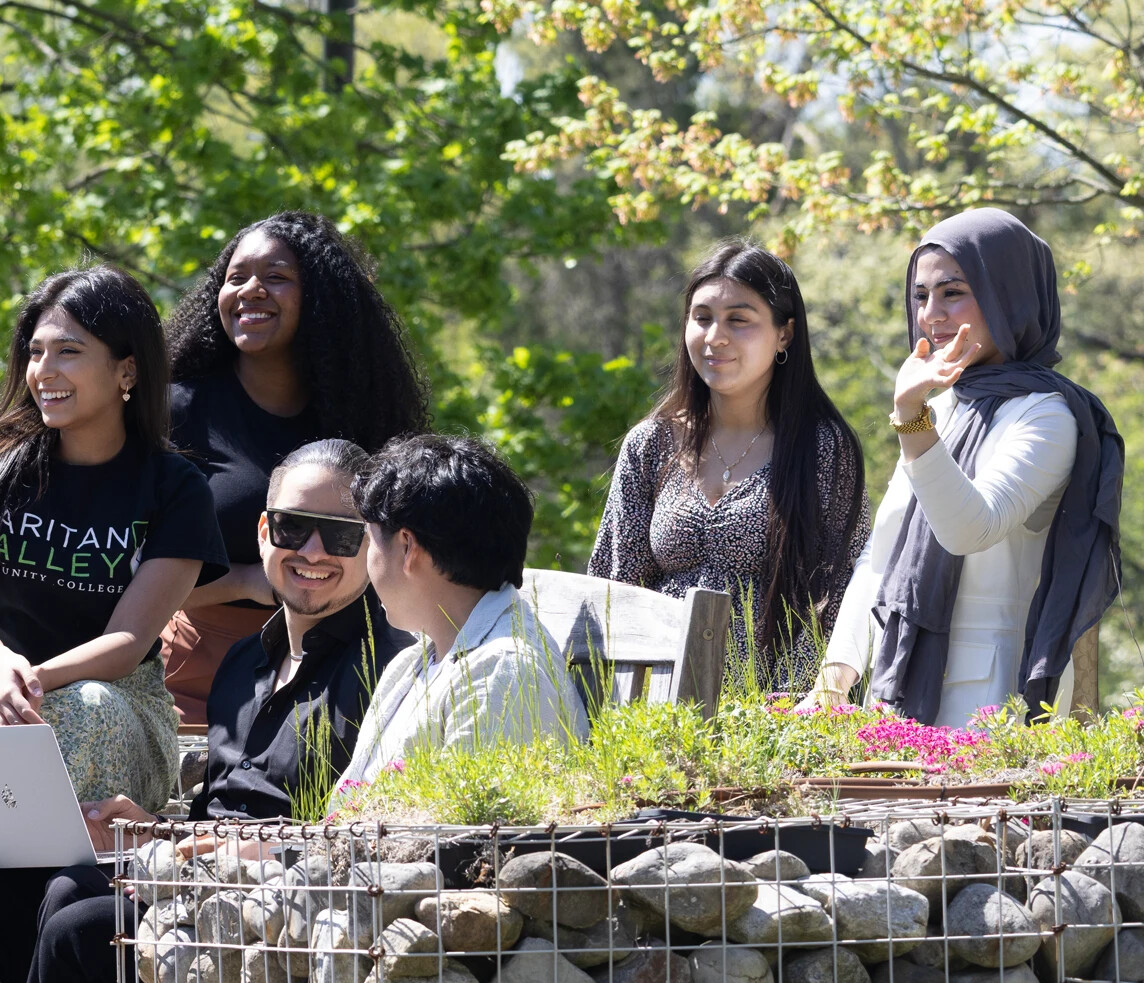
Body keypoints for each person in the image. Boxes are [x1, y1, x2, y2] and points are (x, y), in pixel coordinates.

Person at [0, 437, 409, 983]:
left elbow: (359, 834)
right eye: (292, 527)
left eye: (339, 536)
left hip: (277, 911)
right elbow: (221, 804)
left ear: (371, 545)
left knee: (80, 919)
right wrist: (150, 827)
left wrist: (195, 846)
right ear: (262, 531)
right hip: (189, 881)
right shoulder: (241, 667)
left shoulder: (385, 670)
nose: (311, 552)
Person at [0, 264, 227, 910]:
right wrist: (1, 667)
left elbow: (130, 639)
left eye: (69, 352)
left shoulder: (174, 489)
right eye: (36, 351)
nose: (43, 370)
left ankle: (66, 919)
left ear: (127, 371)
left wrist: (35, 679)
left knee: (87, 708)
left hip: (119, 698)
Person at [810, 209, 1123, 726]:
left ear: (1009, 295)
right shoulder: (948, 407)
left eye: (953, 291)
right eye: (920, 295)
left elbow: (970, 528)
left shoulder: (1048, 415)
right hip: (899, 685)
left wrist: (911, 418)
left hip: (991, 699)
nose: (931, 313)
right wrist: (834, 679)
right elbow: (883, 553)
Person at [161, 211, 430, 723]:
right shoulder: (176, 411)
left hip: (344, 669)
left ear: (321, 301)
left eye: (276, 277)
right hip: (197, 672)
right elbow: (125, 566)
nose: (251, 290)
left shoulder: (366, 417)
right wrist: (245, 580)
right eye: (236, 277)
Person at [588, 240, 869, 690]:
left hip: (777, 710)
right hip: (654, 704)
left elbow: (844, 591)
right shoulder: (651, 444)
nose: (715, 336)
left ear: (785, 334)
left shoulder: (822, 447)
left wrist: (809, 707)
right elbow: (613, 585)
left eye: (739, 320)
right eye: (702, 318)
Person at [331, 435, 585, 801]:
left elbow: (466, 839)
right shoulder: (412, 663)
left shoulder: (503, 672)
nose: (364, 559)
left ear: (407, 547)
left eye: (369, 541)